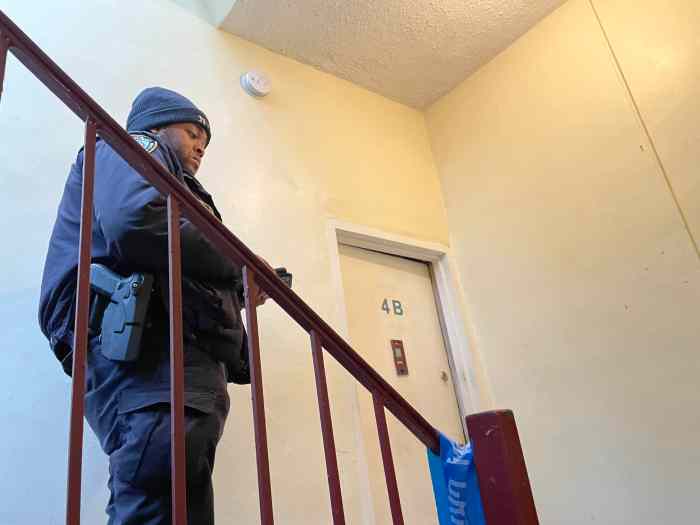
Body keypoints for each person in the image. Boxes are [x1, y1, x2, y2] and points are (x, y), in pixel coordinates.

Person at [39, 87, 262, 524]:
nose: (201, 144)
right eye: (192, 130)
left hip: (164, 364)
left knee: (174, 503)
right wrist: (239, 264)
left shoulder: (162, 178)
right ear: (156, 127)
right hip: (152, 364)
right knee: (159, 498)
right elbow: (135, 219)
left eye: (205, 139)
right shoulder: (131, 147)